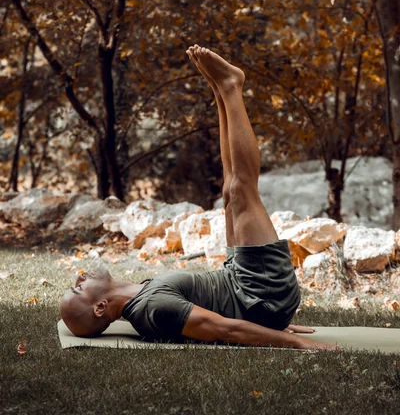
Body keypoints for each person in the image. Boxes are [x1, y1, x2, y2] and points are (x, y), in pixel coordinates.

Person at [60, 46, 342, 351]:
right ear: (100, 308)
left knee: (229, 191)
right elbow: (223, 329)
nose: (79, 277)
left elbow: (215, 313)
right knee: (242, 190)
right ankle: (231, 87)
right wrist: (295, 341)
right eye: (78, 288)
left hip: (247, 290)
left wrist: (272, 322)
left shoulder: (138, 301)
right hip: (260, 292)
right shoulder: (153, 309)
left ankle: (221, 91)